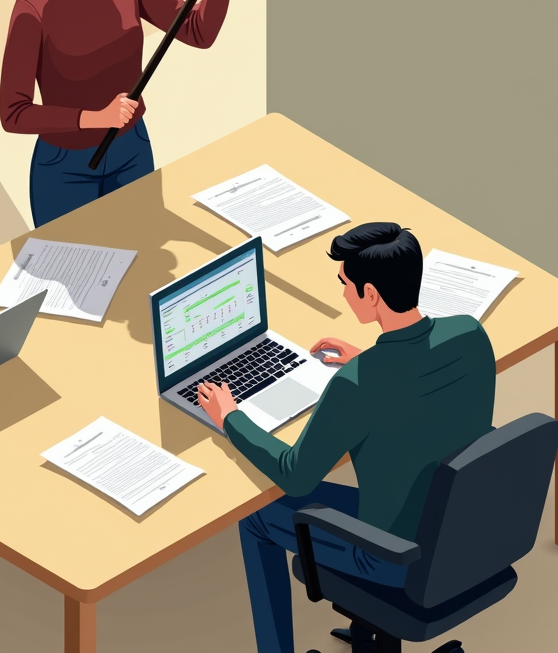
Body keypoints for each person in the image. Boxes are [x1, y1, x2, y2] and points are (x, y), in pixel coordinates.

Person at [195, 223, 496, 653]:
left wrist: (231, 418)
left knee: (256, 514)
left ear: (370, 294)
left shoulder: (357, 385)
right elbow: (424, 390)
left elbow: (295, 475)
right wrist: (369, 358)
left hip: (393, 557)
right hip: (462, 532)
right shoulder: (470, 335)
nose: (343, 293)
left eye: (345, 284)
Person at [0, 0, 245, 227]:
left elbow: (197, 31)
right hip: (64, 168)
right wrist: (93, 118)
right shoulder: (32, 8)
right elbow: (13, 113)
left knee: (142, 258)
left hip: (132, 150)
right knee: (76, 274)